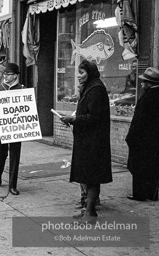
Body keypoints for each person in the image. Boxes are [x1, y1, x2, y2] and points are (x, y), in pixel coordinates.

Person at [60, 59, 112, 221]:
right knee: (88, 176)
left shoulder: (96, 89)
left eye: (82, 72)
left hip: (93, 142)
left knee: (91, 177)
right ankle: (88, 210)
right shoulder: (89, 88)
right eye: (78, 72)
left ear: (90, 73)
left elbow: (93, 117)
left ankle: (90, 212)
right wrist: (73, 118)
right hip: (87, 140)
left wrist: (73, 119)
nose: (78, 76)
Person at [0, 63, 25, 196]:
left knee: (15, 157)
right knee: (1, 154)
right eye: (4, 74)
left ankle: (12, 185)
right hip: (0, 129)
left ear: (15, 75)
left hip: (16, 129)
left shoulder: (22, 89)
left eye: (8, 74)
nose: (5, 76)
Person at [125, 67, 159, 201]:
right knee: (153, 166)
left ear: (150, 83)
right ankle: (152, 193)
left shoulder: (146, 98)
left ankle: (139, 194)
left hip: (142, 140)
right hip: (154, 140)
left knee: (138, 167)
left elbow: (138, 122)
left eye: (144, 82)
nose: (142, 84)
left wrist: (130, 138)